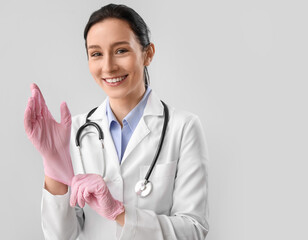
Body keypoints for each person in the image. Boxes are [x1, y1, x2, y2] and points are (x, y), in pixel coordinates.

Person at [24, 4, 209, 240]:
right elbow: (61, 236)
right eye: (96, 54)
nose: (108, 66)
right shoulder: (74, 131)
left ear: (148, 53)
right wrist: (52, 167)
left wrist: (118, 211)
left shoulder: (183, 128)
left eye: (121, 50)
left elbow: (193, 230)